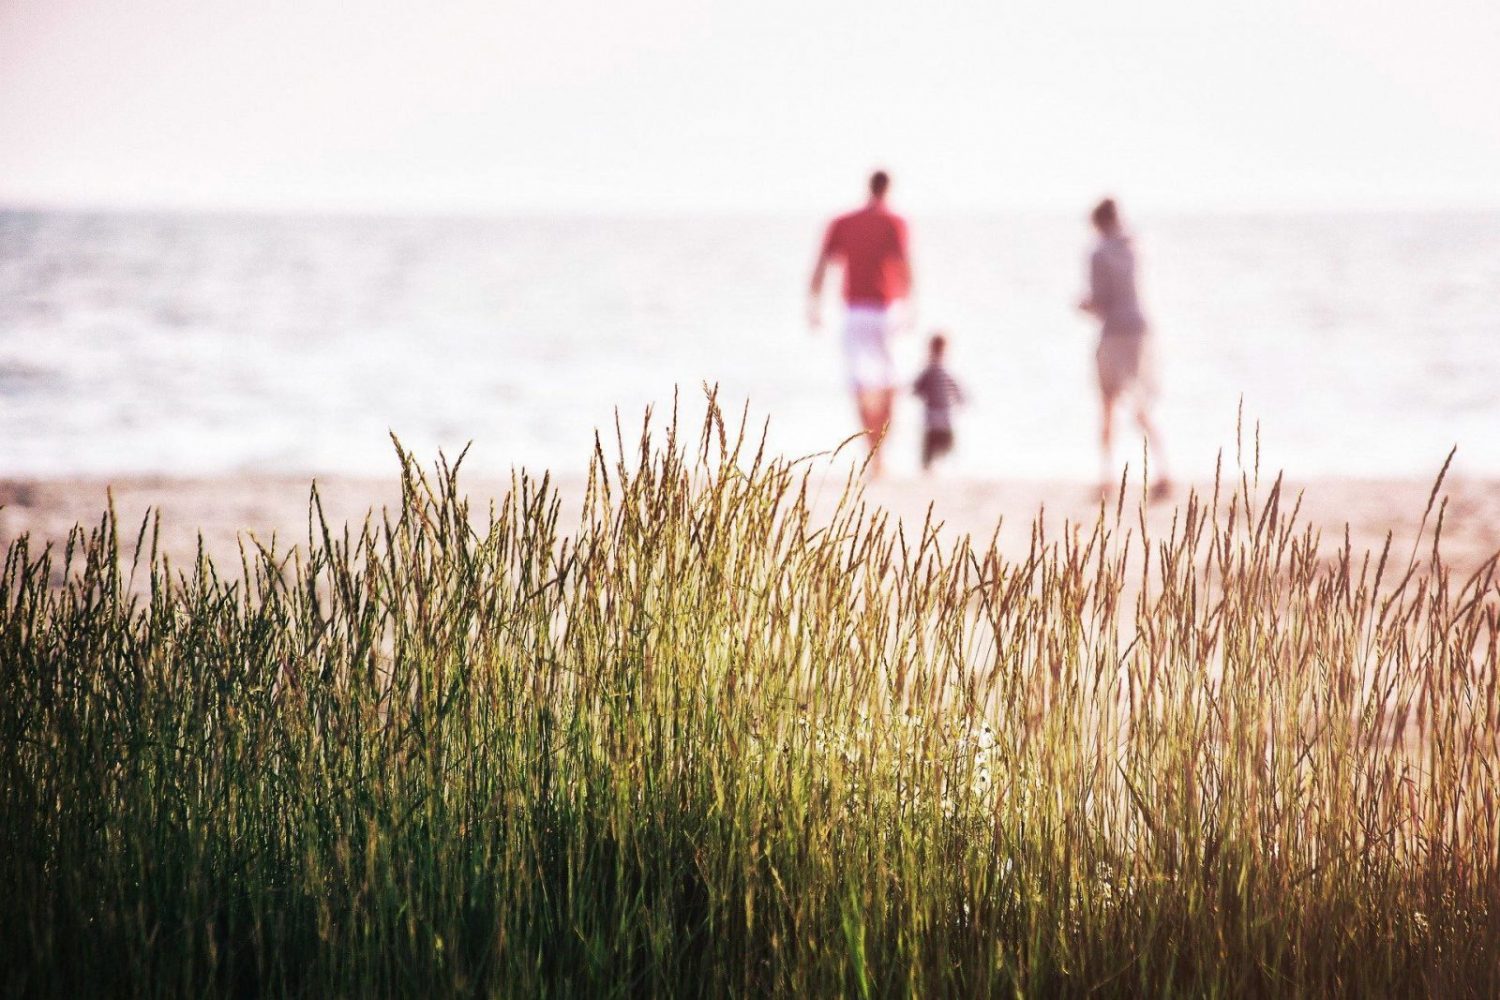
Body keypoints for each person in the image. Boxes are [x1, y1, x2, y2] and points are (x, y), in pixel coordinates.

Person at [809, 170, 912, 477]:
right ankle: (881, 453)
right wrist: (911, 305)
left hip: (854, 312)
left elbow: (821, 265)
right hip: (886, 310)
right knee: (890, 384)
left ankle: (873, 452)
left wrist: (813, 305)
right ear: (888, 188)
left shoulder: (842, 222)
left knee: (861, 384)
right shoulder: (895, 222)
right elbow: (906, 266)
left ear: (868, 187)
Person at [1078, 198, 1170, 500]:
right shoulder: (1133, 247)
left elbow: (1100, 303)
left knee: (1107, 404)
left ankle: (1107, 478)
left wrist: (1083, 306)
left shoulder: (1099, 253)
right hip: (1141, 329)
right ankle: (1164, 471)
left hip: (1115, 331)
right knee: (1141, 406)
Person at [912, 332, 964, 472]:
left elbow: (916, 389)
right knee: (936, 441)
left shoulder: (935, 369)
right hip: (936, 412)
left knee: (940, 441)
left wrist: (960, 399)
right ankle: (930, 466)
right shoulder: (931, 369)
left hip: (939, 412)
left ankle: (937, 465)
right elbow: (917, 388)